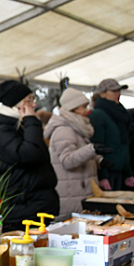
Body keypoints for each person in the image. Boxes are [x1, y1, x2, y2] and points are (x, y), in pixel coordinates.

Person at [0, 80, 59, 232]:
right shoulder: (2, 132)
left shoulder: (21, 126)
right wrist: (32, 122)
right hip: (23, 209)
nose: (34, 105)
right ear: (15, 105)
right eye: (29, 100)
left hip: (37, 205)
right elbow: (28, 154)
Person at [44, 88, 106, 219]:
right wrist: (92, 149)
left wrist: (99, 160)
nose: (87, 111)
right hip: (72, 195)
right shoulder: (64, 130)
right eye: (83, 107)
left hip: (79, 192)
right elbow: (68, 160)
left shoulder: (75, 127)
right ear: (73, 108)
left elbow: (80, 154)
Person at [89, 78, 134, 190]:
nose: (118, 94)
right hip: (108, 173)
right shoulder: (98, 115)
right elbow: (96, 147)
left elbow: (123, 145)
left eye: (118, 91)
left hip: (119, 171)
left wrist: (128, 173)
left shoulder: (119, 114)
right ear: (103, 94)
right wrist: (103, 176)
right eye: (114, 91)